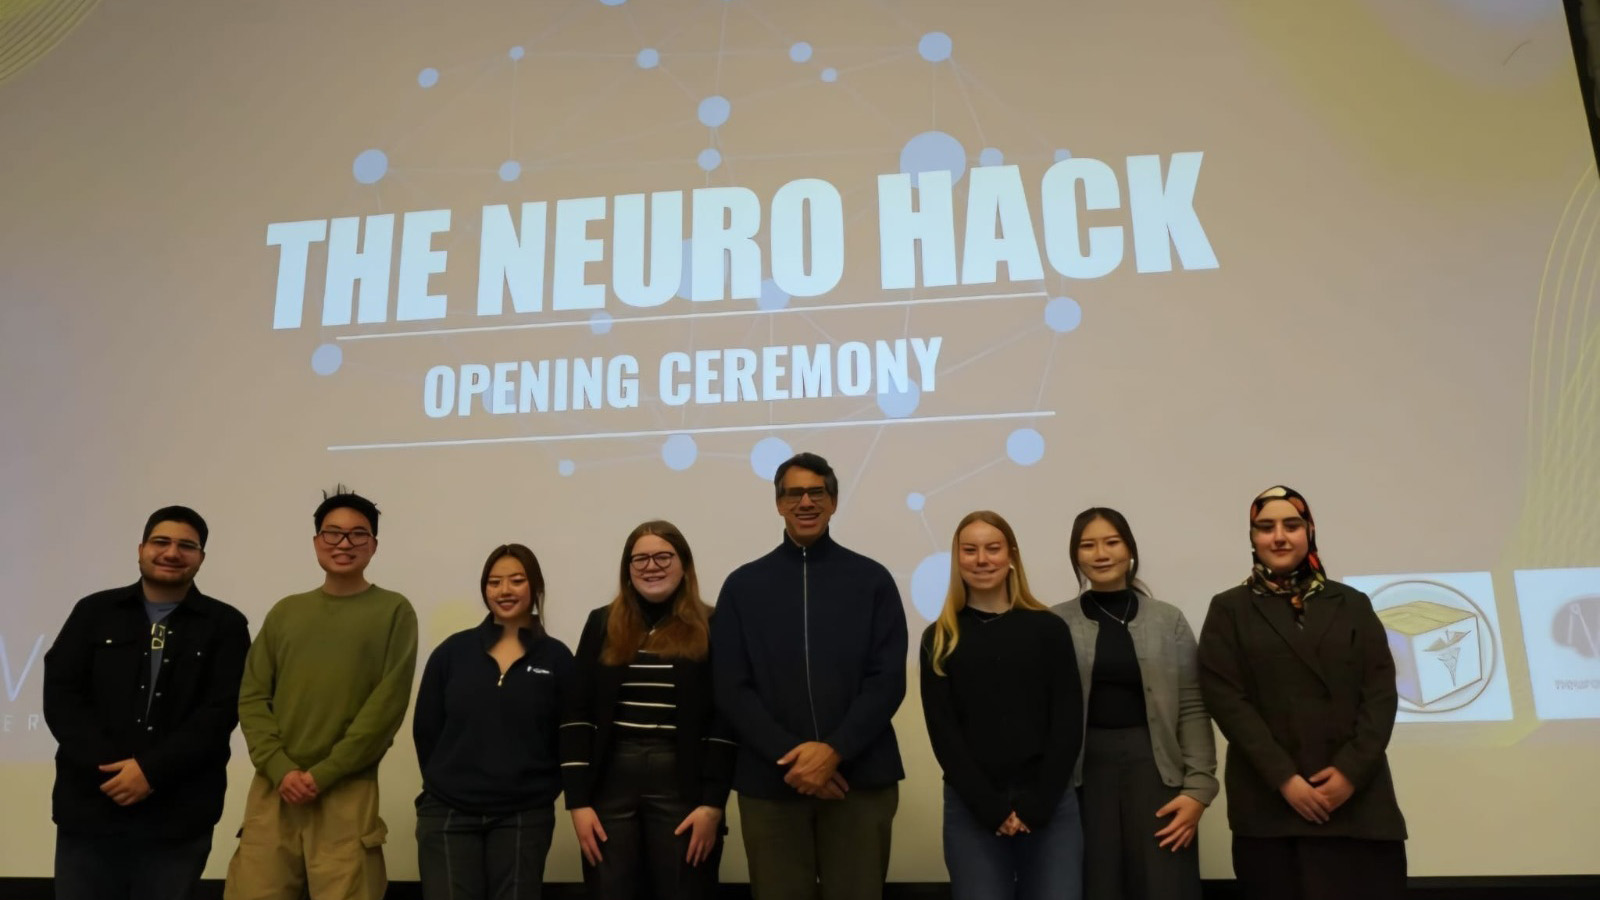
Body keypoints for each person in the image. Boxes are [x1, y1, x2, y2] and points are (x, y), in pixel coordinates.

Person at [711, 451, 908, 900]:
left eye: (816, 492)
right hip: (772, 781)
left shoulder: (872, 579)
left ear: (834, 502)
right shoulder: (743, 586)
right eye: (793, 494)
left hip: (858, 781)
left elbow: (887, 679)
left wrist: (835, 751)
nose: (806, 502)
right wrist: (794, 758)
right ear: (778, 504)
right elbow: (731, 686)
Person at [1197, 485, 1407, 900]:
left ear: (1309, 531)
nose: (1279, 536)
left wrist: (1349, 773)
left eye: (1291, 525)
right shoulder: (1229, 609)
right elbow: (1227, 701)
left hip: (1359, 804)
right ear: (1252, 538)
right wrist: (1286, 780)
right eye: (1265, 527)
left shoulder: (1352, 604)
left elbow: (1380, 693)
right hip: (1271, 807)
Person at [42, 505, 251, 900]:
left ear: (201, 558)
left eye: (186, 546)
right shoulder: (94, 612)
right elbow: (62, 696)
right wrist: (115, 771)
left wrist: (151, 772)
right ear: (140, 549)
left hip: (178, 818)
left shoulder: (225, 625)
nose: (172, 553)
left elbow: (221, 711)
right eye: (161, 542)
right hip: (90, 811)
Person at [224, 488, 419, 900]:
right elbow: (253, 696)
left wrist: (323, 774)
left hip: (346, 790)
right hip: (275, 789)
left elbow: (385, 709)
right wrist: (281, 769)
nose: (344, 544)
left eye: (357, 535)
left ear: (374, 546)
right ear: (316, 542)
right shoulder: (286, 612)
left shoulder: (393, 611)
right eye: (332, 533)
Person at [560, 521, 736, 899]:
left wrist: (712, 805)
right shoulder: (602, 623)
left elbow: (725, 719)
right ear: (627, 569)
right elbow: (576, 713)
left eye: (662, 557)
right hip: (610, 781)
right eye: (639, 558)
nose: (650, 566)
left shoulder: (714, 624)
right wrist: (577, 802)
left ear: (684, 565)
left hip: (682, 780)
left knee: (684, 890)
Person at [1052, 507, 1217, 900]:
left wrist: (1198, 788)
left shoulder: (1168, 620)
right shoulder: (1055, 622)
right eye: (1088, 545)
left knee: (1165, 884)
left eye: (1112, 542)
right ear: (1076, 555)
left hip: (1157, 773)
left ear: (1130, 549)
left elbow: (1193, 704)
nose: (1101, 553)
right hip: (1083, 778)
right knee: (1096, 884)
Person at [920, 511, 1083, 900]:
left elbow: (1067, 721)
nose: (982, 560)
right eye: (970, 550)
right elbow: (945, 734)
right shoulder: (941, 637)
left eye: (992, 549)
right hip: (972, 808)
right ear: (957, 559)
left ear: (1011, 555)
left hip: (1050, 805)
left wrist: (1036, 805)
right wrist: (991, 808)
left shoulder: (1048, 629)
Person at [413, 544, 573, 900]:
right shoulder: (452, 652)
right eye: (494, 582)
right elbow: (427, 730)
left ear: (535, 587)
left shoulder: (557, 657)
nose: (504, 590)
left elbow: (568, 735)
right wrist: (447, 782)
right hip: (448, 812)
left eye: (516, 580)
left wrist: (543, 789)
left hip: (523, 814)